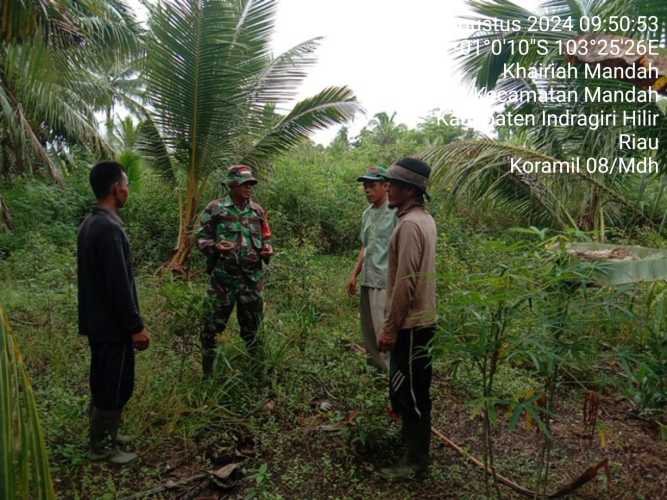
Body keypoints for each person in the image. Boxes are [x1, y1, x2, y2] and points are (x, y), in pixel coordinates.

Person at [77, 160, 150, 464]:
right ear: (116, 188)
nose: (128, 190)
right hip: (112, 326)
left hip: (100, 322)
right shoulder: (107, 228)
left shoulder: (93, 222)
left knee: (107, 379)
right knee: (113, 383)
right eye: (126, 185)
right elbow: (119, 285)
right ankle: (102, 446)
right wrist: (135, 326)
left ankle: (109, 433)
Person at [377, 158, 437, 480]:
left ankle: (415, 464)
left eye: (394, 184)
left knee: (412, 394)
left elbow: (405, 283)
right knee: (410, 389)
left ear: (411, 191)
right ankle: (409, 447)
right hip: (420, 322)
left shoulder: (411, 225)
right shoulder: (422, 219)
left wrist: (389, 329)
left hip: (412, 324)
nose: (388, 188)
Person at [197, 164, 273, 378]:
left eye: (251, 183)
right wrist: (215, 247)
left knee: (254, 330)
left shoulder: (257, 211)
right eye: (244, 183)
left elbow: (265, 239)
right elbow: (201, 238)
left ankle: (258, 375)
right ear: (231, 185)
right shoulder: (215, 208)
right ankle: (208, 377)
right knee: (210, 329)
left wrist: (267, 251)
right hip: (223, 281)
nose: (249, 187)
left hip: (251, 281)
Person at [347, 165, 397, 371]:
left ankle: (390, 372)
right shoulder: (367, 214)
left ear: (386, 186)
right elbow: (365, 247)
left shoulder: (395, 212)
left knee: (383, 328)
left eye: (372, 185)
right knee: (368, 329)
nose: (367, 190)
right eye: (365, 186)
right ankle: (374, 368)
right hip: (368, 278)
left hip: (385, 281)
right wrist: (353, 275)